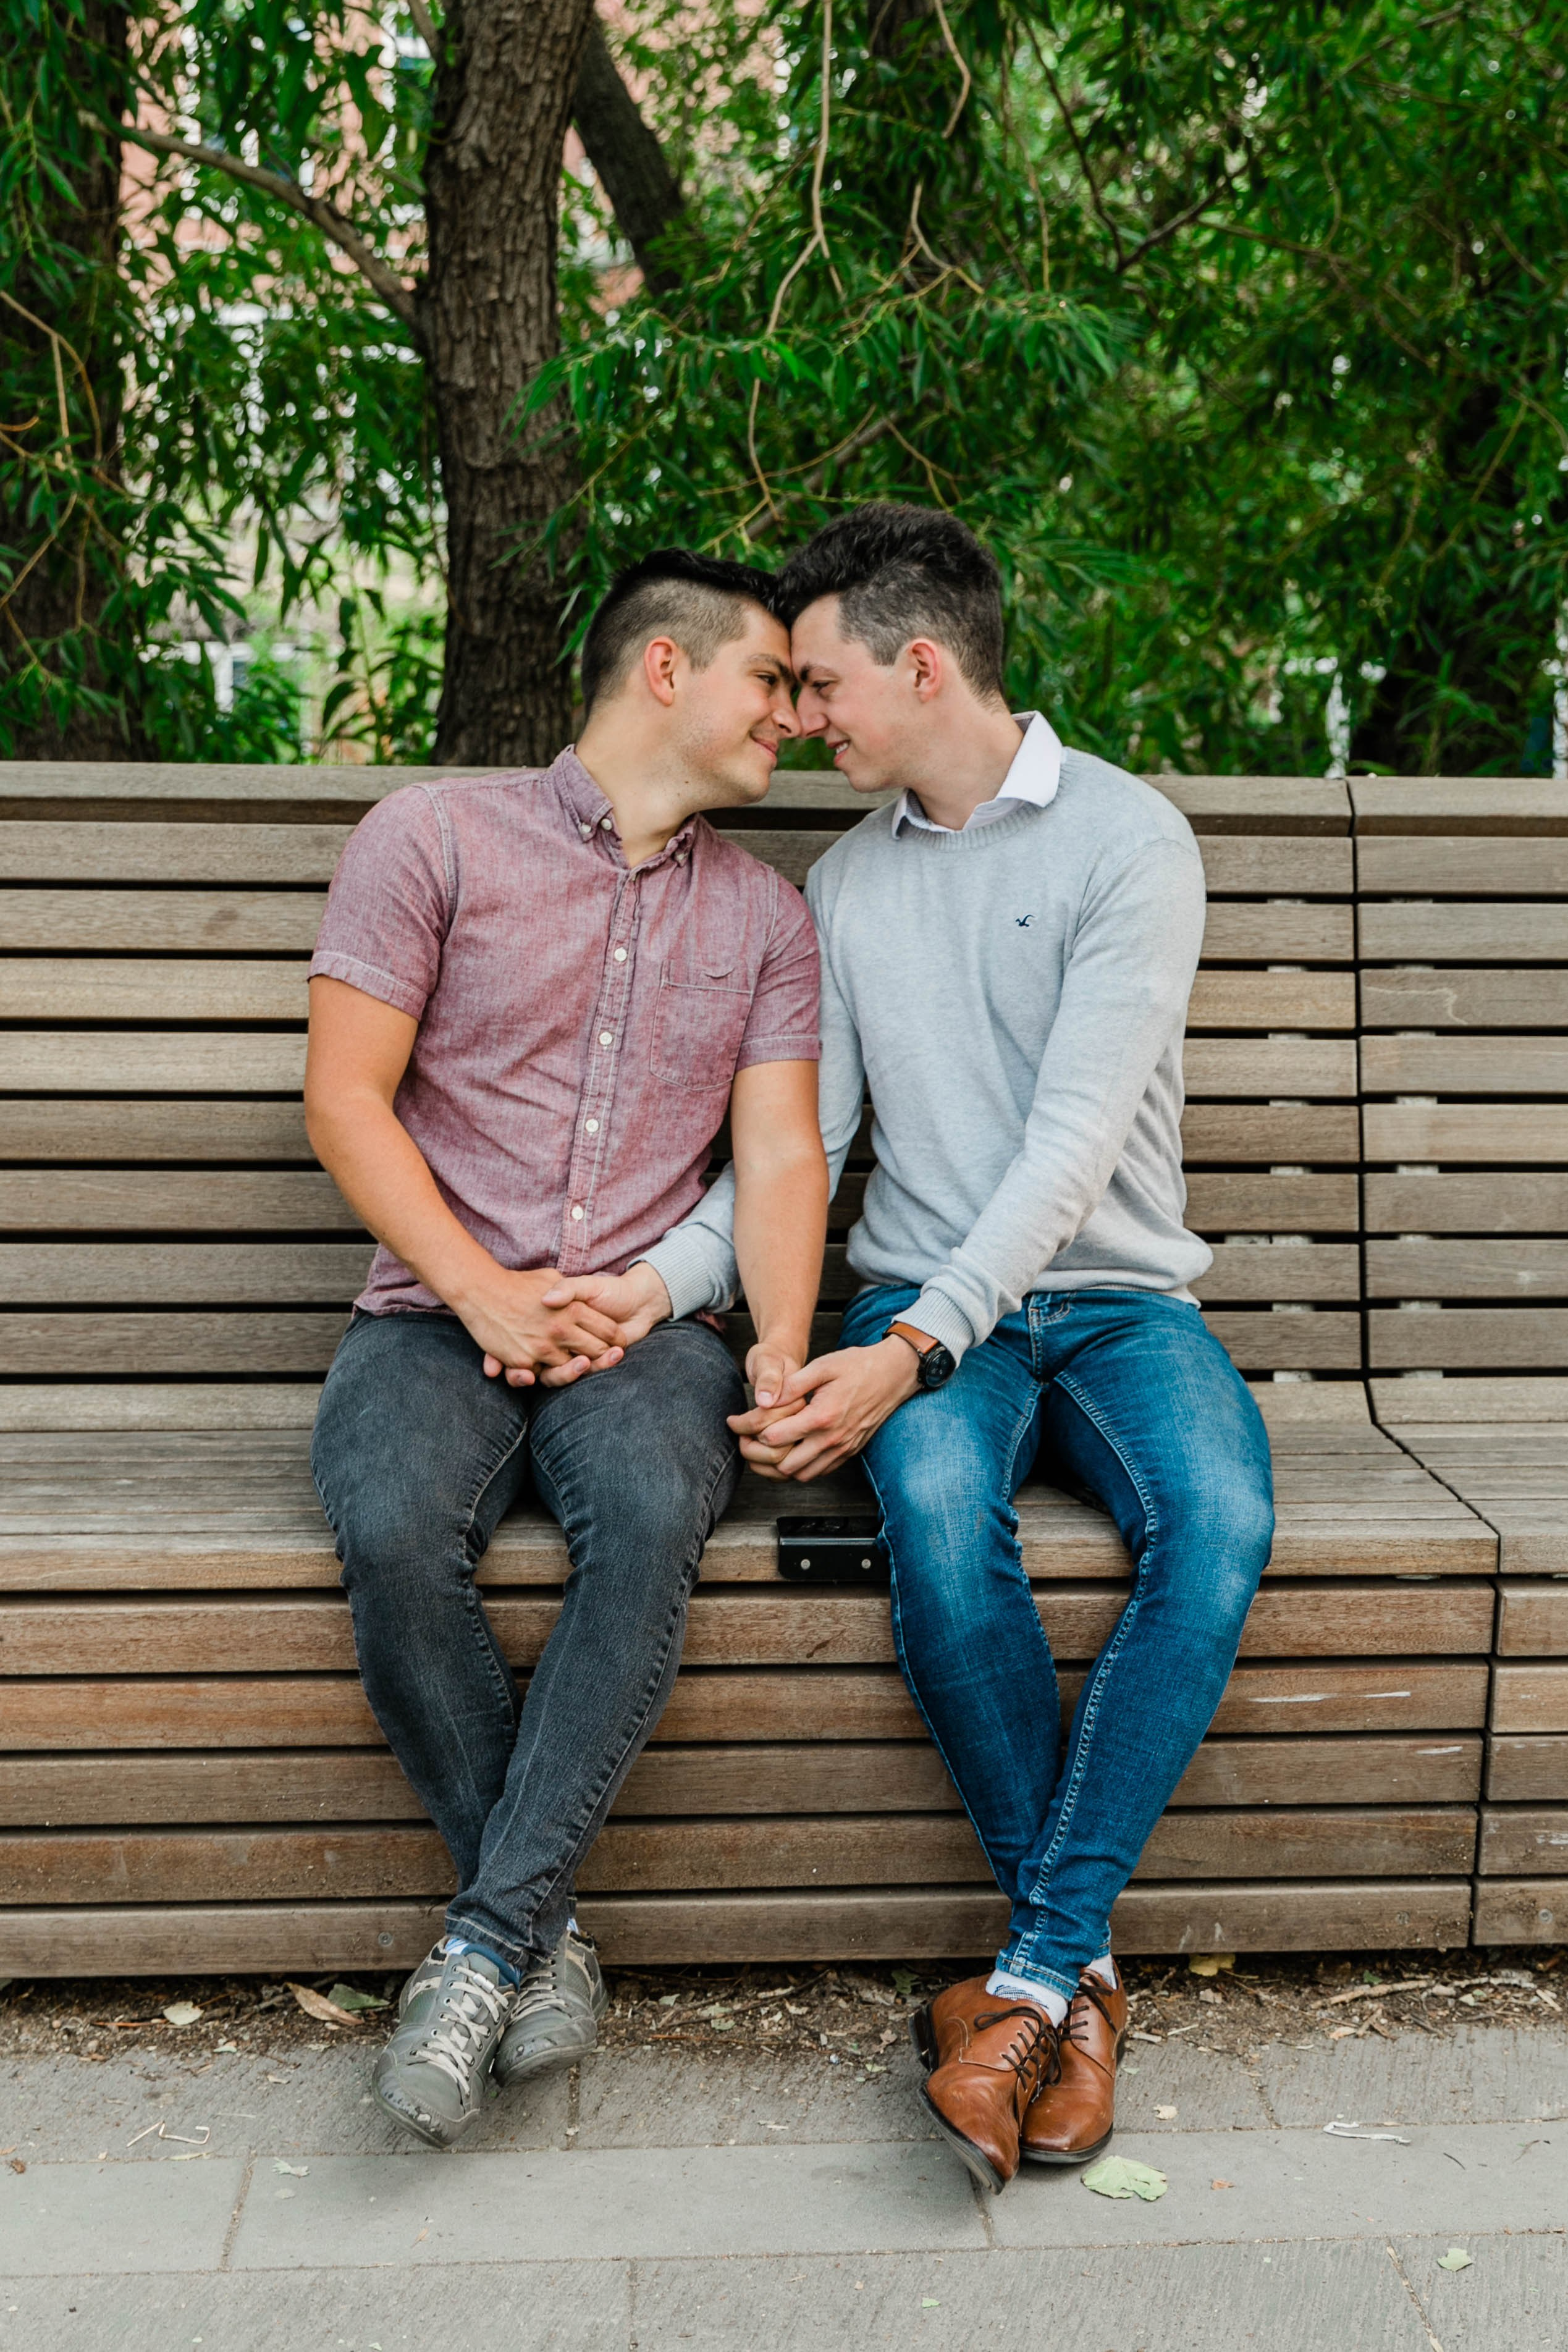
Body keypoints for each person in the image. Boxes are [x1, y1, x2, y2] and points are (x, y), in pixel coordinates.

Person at [659, 505, 1276, 2193]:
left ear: (919, 665)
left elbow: (1069, 1148)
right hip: (925, 1304)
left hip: (1116, 1299)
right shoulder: (845, 888)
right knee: (934, 1531)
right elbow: (797, 1152)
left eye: (822, 678)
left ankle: (1018, 1977)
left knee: (1213, 1526)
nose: (801, 715)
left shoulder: (1130, 844)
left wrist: (910, 1350)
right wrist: (650, 1296)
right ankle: (1071, 1986)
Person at [304, 550, 828, 2149]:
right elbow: (344, 1098)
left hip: (641, 1334)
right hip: (434, 1308)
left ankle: (476, 1949)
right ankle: (532, 1938)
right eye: (767, 683)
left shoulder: (765, 917)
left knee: (656, 1517)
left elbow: (783, 1157)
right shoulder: (432, 838)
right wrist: (480, 1293)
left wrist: (777, 1353)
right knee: (393, 1526)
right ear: (661, 671)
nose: (791, 723)